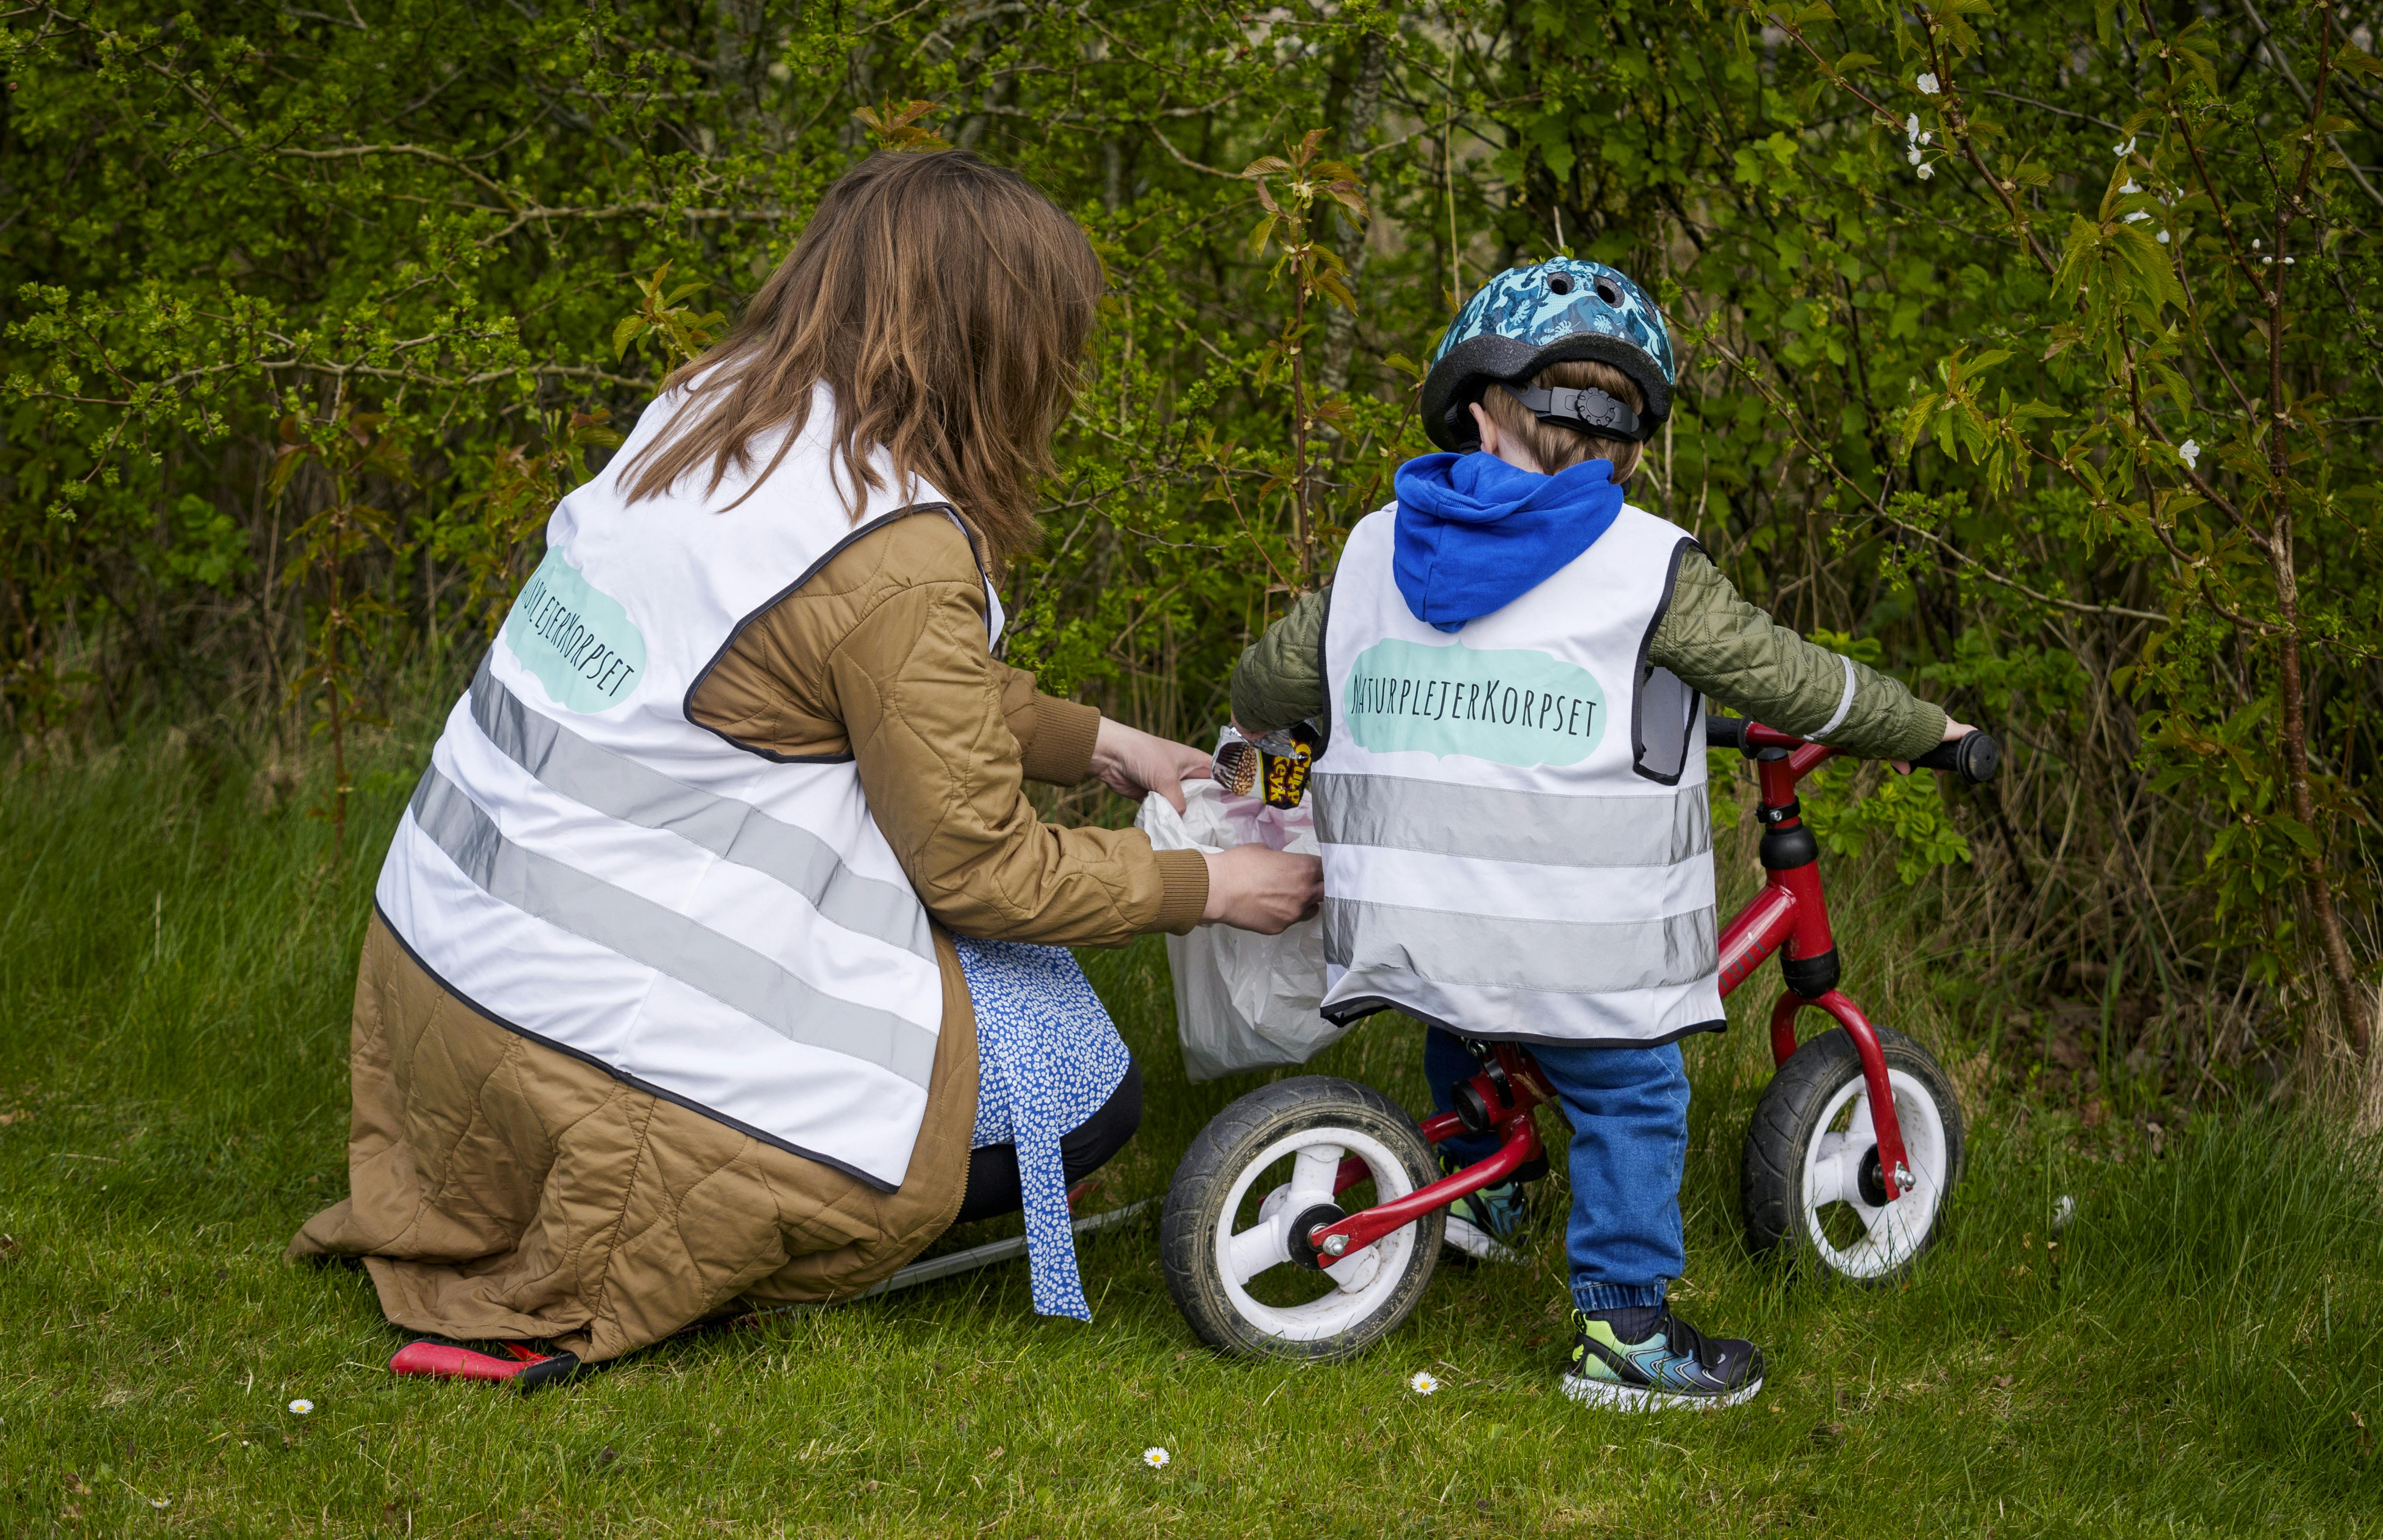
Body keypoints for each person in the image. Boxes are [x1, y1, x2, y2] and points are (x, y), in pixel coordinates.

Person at [290, 148, 1322, 1367]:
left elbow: (853, 676)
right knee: (1088, 1093)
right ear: (996, 347)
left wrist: (1099, 742)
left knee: (1011, 1002)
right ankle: (752, 1225)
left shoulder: (710, 416)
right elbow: (985, 872)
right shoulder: (896, 551)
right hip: (598, 1060)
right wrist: (1210, 890)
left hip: (445, 988)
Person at [1227, 257, 1972, 1411]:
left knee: (1467, 1008)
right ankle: (1624, 1331)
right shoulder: (1645, 571)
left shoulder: (1373, 551)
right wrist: (1930, 731)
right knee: (1630, 1091)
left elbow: (1269, 682)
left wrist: (1267, 738)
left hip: (1400, 931)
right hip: (1569, 945)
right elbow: (1791, 680)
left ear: (1471, 408)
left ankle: (1480, 1188)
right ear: (1630, 443)